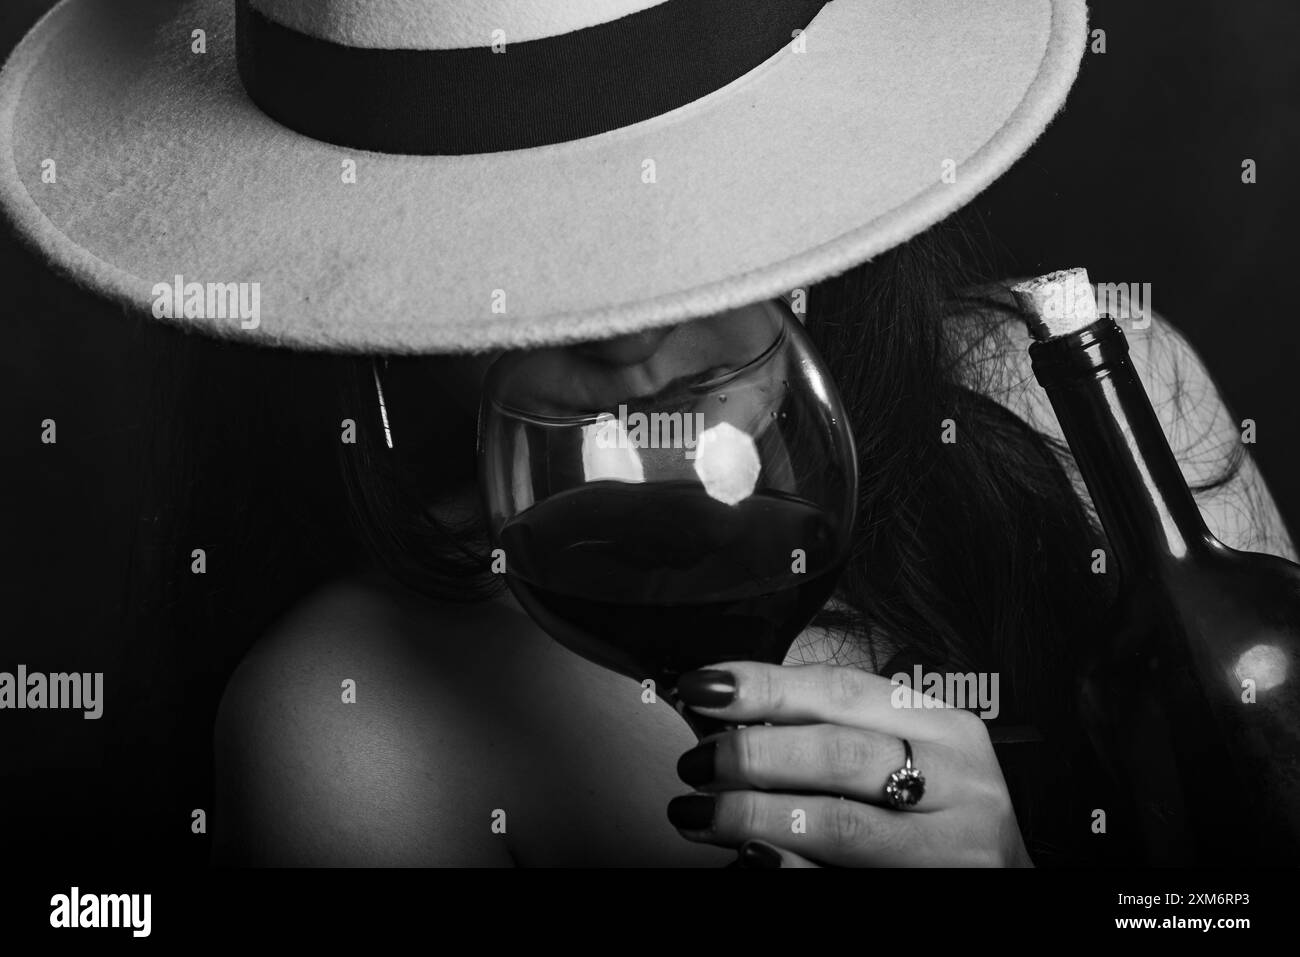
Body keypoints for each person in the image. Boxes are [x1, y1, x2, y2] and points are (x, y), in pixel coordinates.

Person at [1, 0, 1293, 866]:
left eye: (671, 216)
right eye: (504, 252)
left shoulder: (1091, 416)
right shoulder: (345, 733)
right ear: (368, 299)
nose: (625, 334)